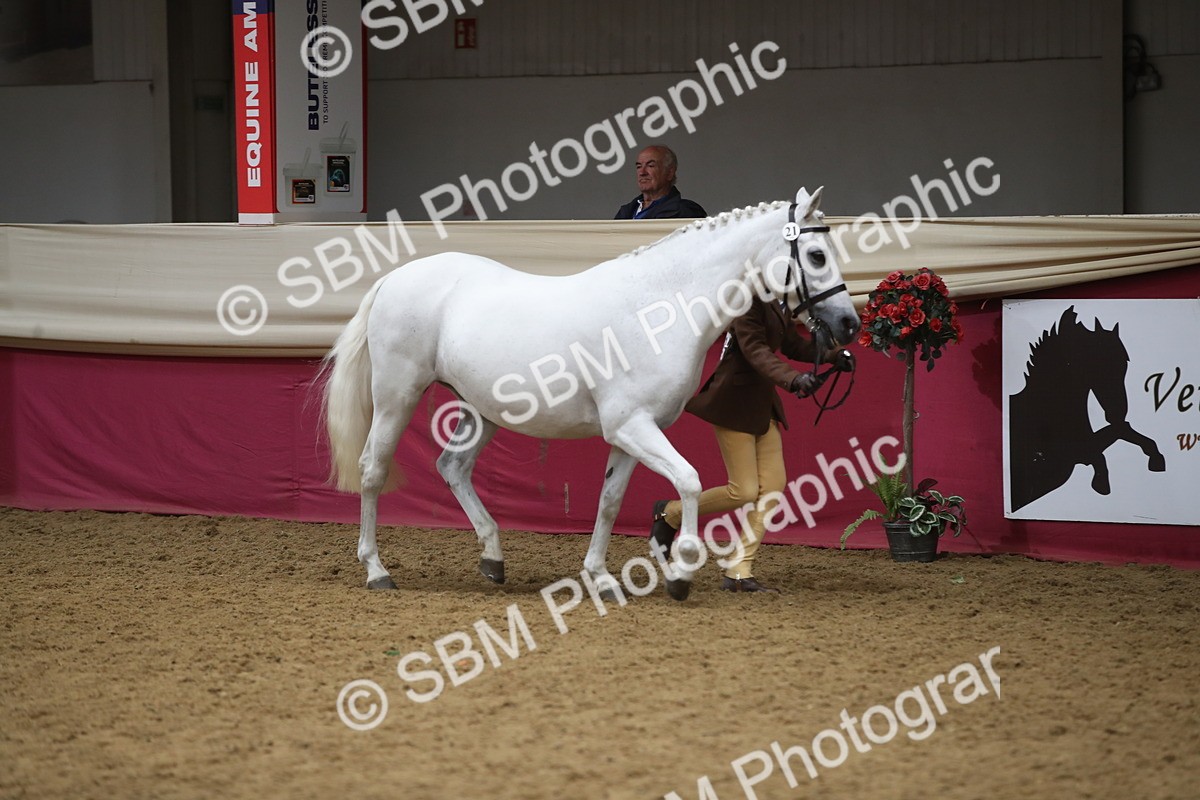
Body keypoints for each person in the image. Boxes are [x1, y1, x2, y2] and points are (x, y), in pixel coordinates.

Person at [648, 295, 854, 592]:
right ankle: (670, 513)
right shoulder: (745, 302)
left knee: (772, 487)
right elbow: (755, 351)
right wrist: (793, 379)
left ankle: (739, 570)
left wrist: (833, 355)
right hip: (733, 402)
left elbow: (793, 345)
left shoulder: (779, 302)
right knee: (743, 491)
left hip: (762, 407)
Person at [614, 145, 707, 220]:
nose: (642, 172)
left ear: (670, 173)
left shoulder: (686, 212)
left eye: (650, 166)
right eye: (639, 167)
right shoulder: (625, 212)